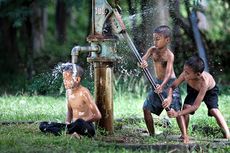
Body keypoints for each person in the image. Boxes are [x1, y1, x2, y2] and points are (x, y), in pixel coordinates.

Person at [140, 25, 188, 143]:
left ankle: (184, 135)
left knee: (175, 110)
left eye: (158, 39)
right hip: (157, 83)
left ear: (167, 40)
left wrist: (162, 86)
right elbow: (142, 60)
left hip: (170, 84)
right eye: (154, 38)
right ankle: (152, 135)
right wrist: (143, 63)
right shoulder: (152, 50)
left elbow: (168, 73)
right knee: (146, 108)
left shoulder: (169, 55)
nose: (155, 41)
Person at [164, 55, 230, 141]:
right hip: (193, 90)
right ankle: (184, 134)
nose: (185, 74)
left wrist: (177, 114)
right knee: (186, 107)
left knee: (214, 110)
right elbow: (172, 87)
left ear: (198, 74)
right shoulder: (185, 73)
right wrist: (169, 97)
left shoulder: (204, 82)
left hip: (210, 91)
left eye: (187, 73)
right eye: (184, 71)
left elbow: (195, 106)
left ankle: (227, 133)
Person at [62, 63, 102, 138]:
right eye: (64, 79)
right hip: (73, 126)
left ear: (77, 79)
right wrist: (67, 123)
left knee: (79, 122)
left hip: (85, 126)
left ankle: (71, 131)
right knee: (44, 125)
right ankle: (70, 131)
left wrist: (82, 122)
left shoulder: (84, 92)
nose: (64, 81)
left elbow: (98, 115)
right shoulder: (68, 92)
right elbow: (70, 111)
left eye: (67, 79)